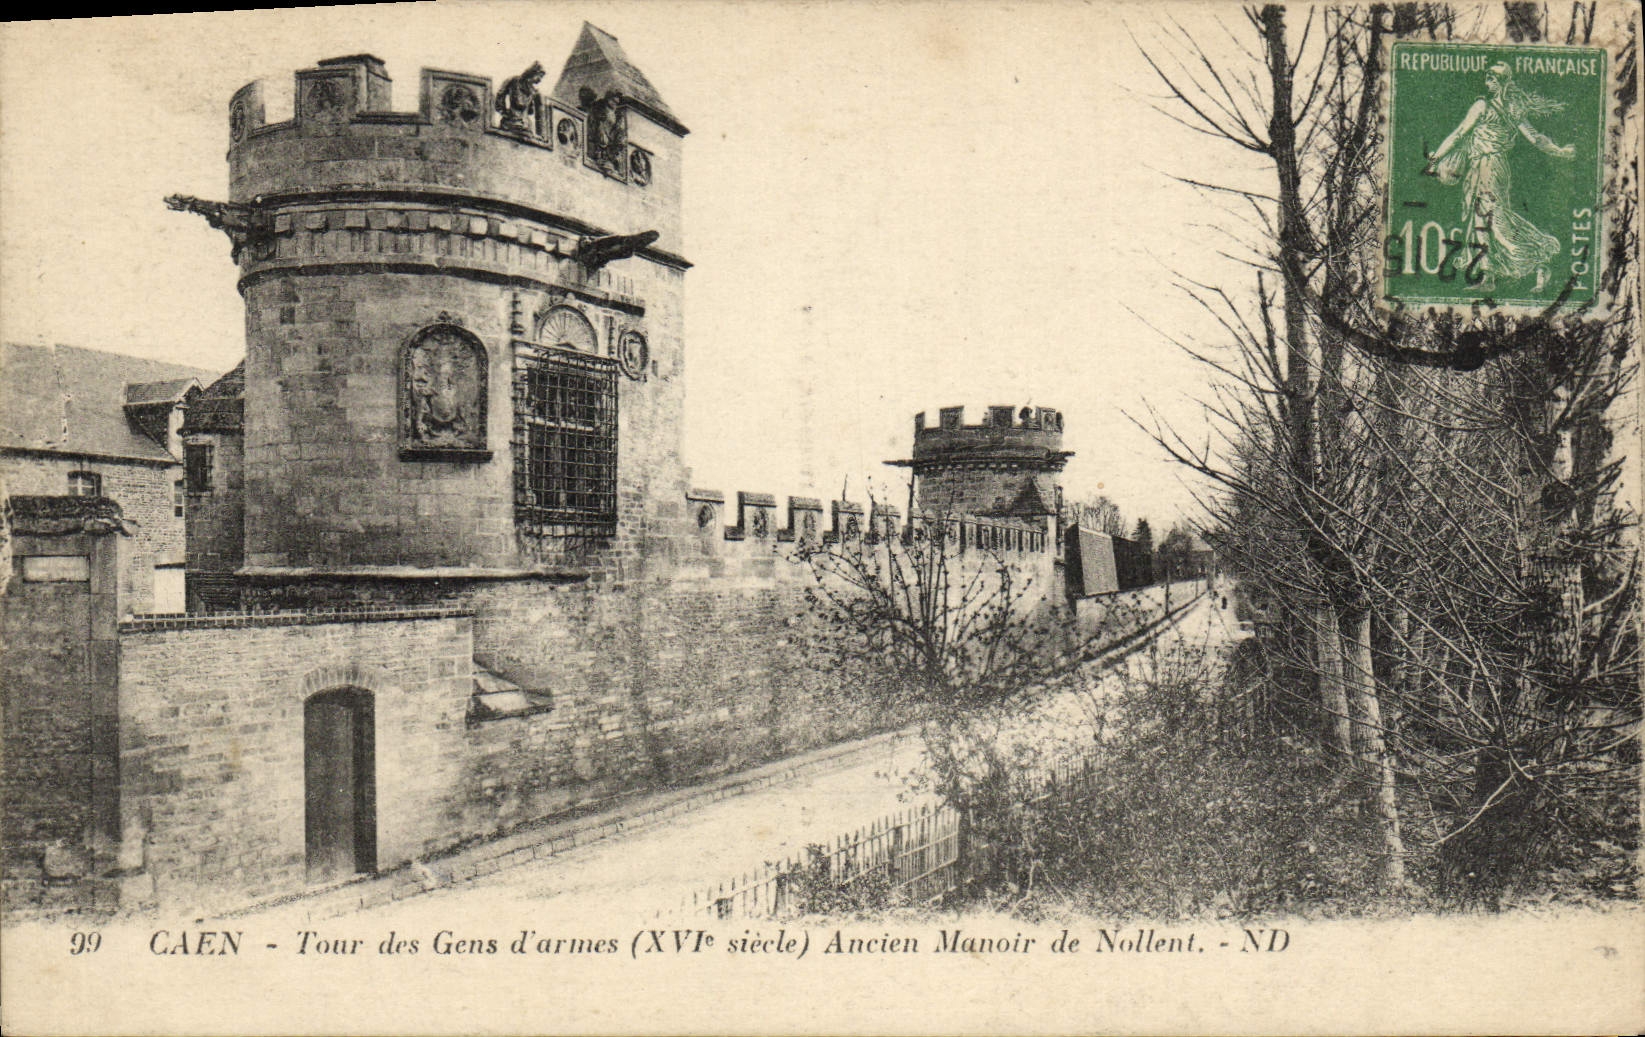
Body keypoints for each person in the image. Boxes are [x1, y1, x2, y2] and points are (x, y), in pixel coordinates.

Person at [1424, 62, 1574, 294]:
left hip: (1488, 167)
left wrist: (1436, 159)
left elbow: (1459, 134)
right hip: (1488, 167)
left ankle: (1539, 261)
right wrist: (1559, 150)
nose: (1487, 81)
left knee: (1496, 223)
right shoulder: (1513, 110)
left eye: (1492, 78)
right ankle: (1488, 276)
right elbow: (1536, 139)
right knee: (1481, 221)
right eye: (1487, 77)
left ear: (1501, 82)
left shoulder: (1482, 105)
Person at [496, 62, 546, 135]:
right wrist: (503, 112)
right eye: (540, 76)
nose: (540, 80)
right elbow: (500, 94)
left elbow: (530, 111)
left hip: (526, 125)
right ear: (533, 72)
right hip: (511, 121)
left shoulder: (533, 91)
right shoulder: (514, 80)